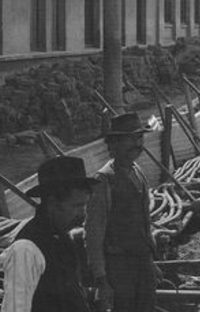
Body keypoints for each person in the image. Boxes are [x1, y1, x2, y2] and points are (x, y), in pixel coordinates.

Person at [85, 112, 161, 312]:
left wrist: (150, 262)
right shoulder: (104, 180)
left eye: (139, 138)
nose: (137, 144)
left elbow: (144, 224)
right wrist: (102, 279)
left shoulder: (137, 172)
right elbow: (94, 233)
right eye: (130, 139)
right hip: (119, 267)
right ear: (114, 144)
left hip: (142, 262)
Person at [2, 156, 99, 312]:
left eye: (85, 205)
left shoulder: (63, 239)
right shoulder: (26, 249)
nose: (83, 214)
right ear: (52, 203)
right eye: (76, 206)